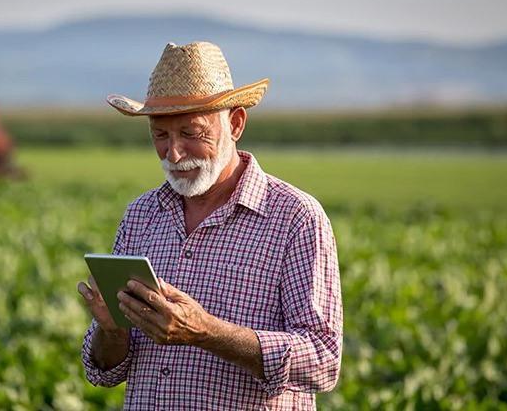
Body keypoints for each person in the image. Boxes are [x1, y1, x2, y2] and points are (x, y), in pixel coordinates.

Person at [77, 42, 343, 410]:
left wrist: (206, 332)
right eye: (160, 135)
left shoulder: (295, 217)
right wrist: (111, 330)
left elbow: (323, 360)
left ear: (235, 123)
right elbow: (105, 371)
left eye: (191, 133)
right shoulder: (141, 215)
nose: (173, 153)